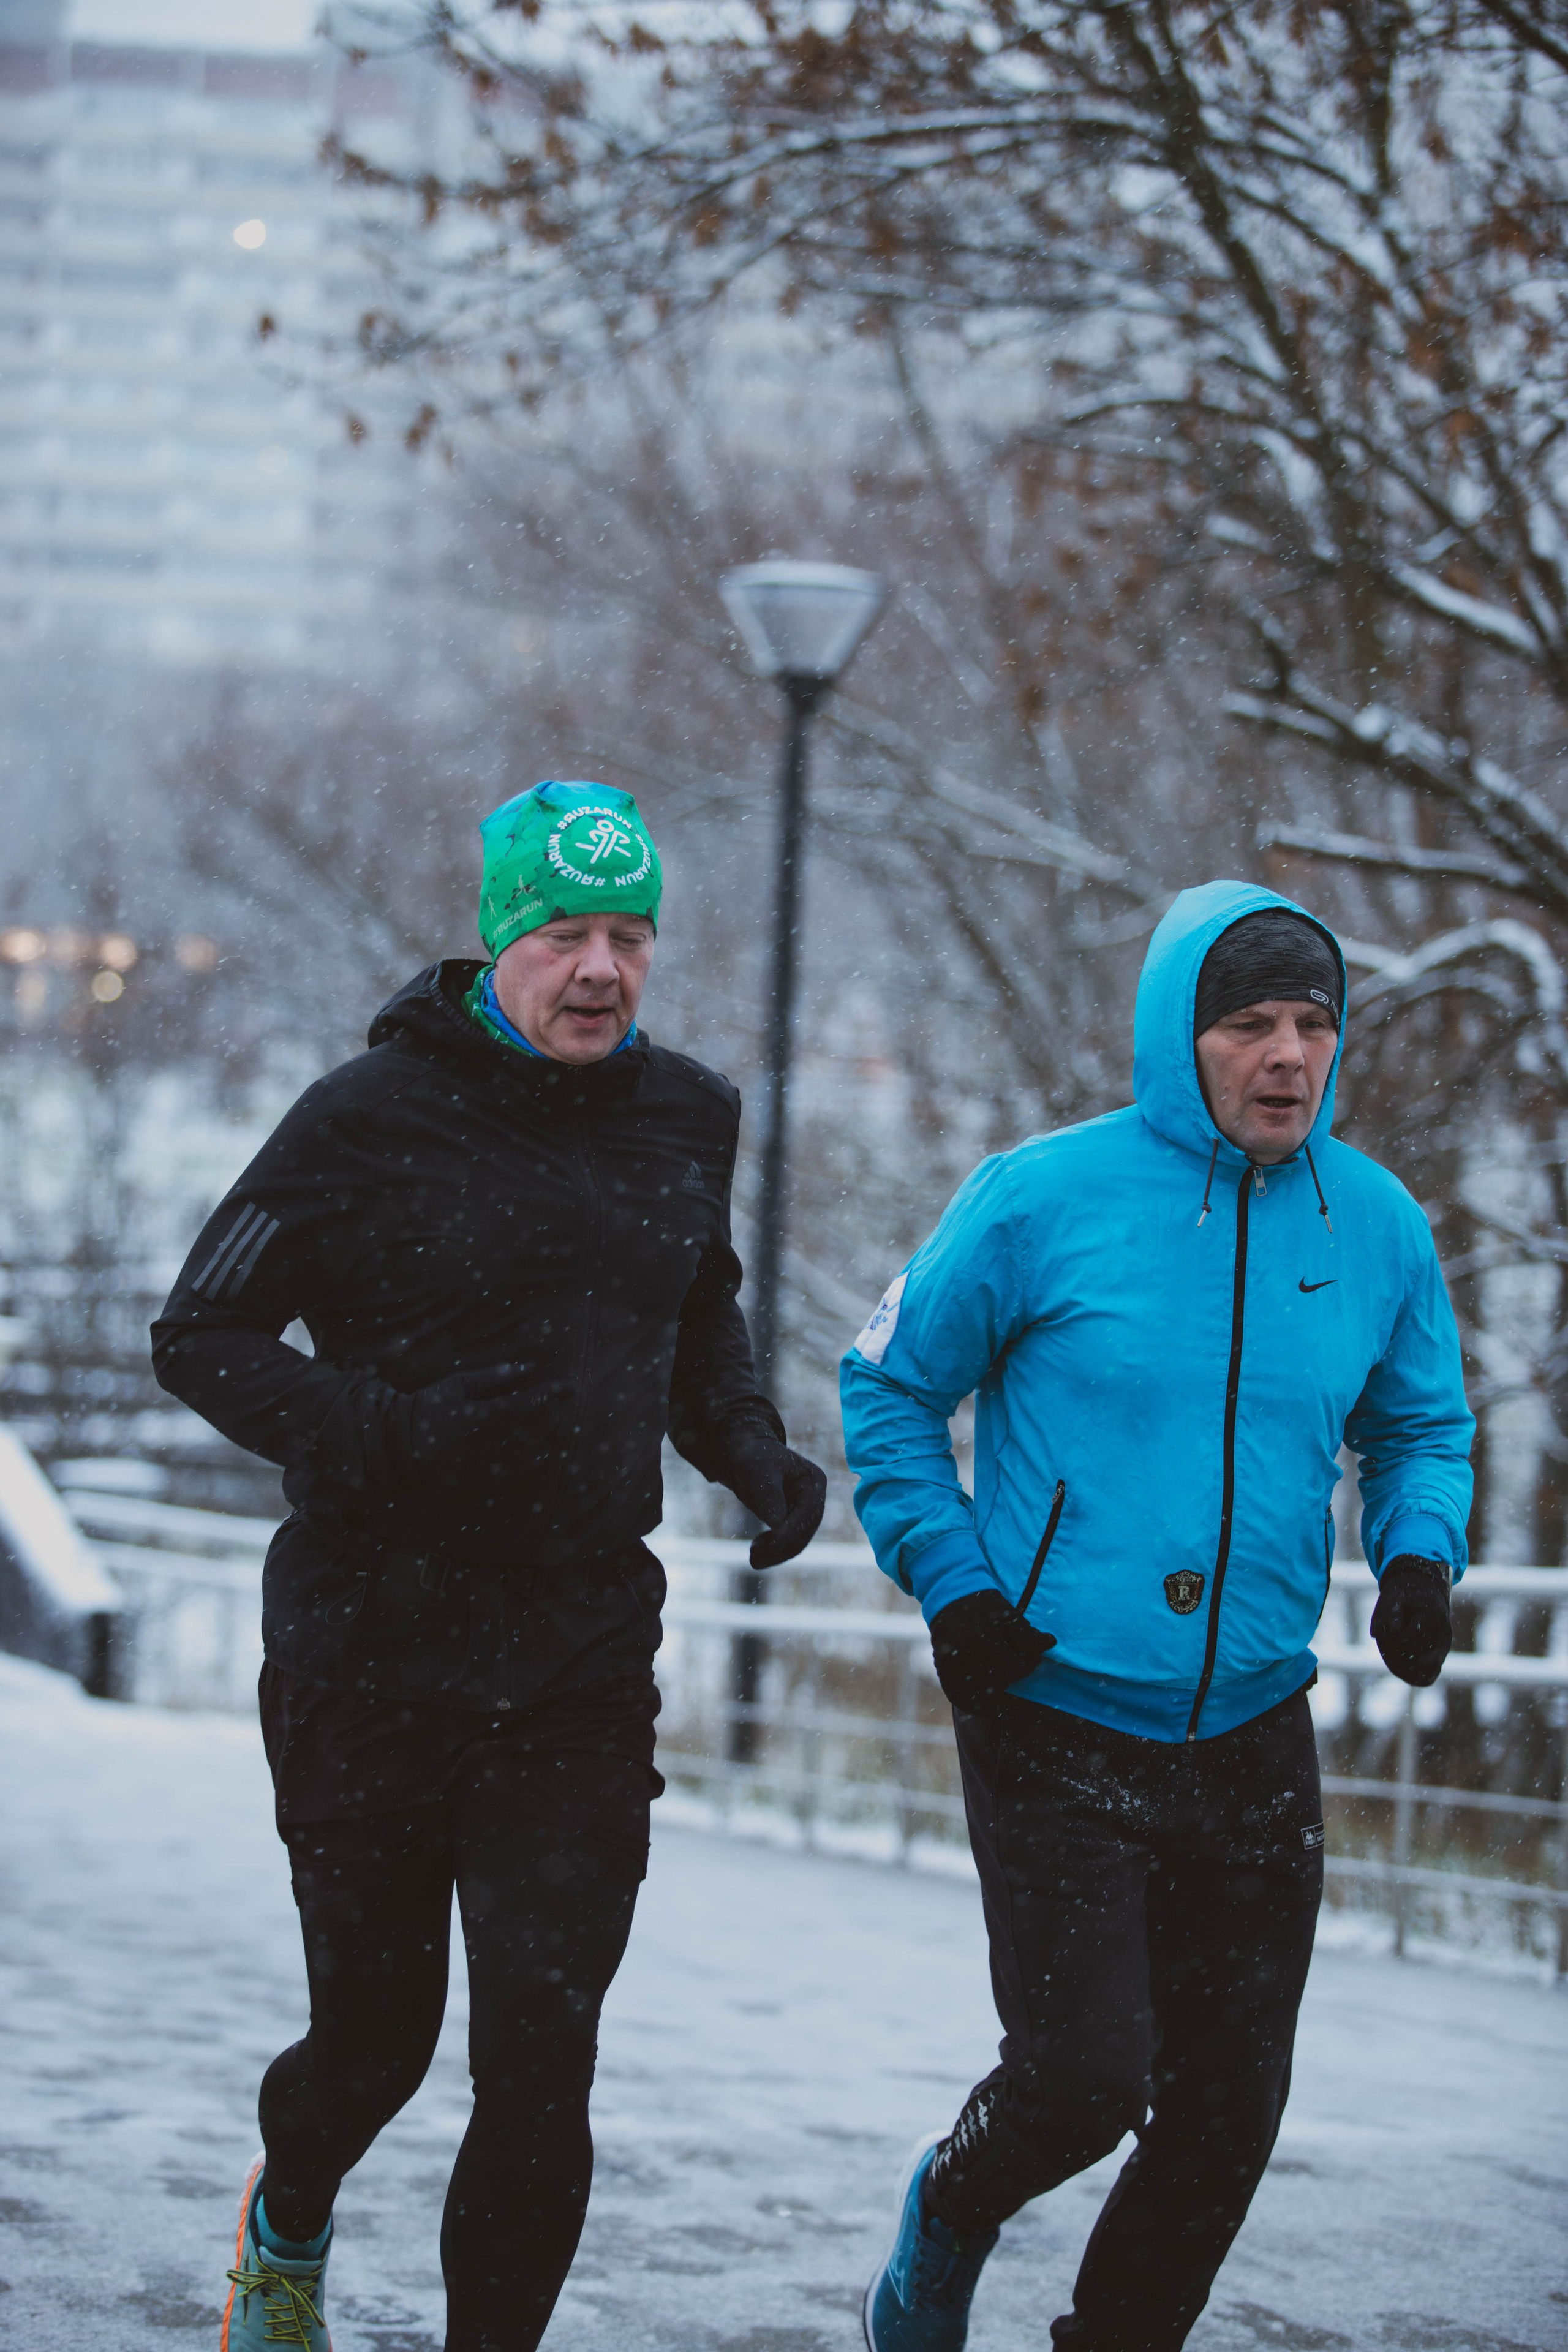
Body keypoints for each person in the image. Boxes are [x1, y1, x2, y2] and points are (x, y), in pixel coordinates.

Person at [151, 780, 826, 2352]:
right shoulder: (363, 1117)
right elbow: (200, 1334)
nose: (601, 969)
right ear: (499, 939)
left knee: (542, 2049)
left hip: (579, 1657)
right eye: (566, 935)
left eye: (630, 935)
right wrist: (383, 1431)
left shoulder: (686, 1114)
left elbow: (695, 1310)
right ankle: (289, 2213)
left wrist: (748, 1449)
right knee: (376, 2044)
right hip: (371, 1650)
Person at [840, 879, 1472, 2352]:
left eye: (1312, 1025)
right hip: (1052, 1706)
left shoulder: (1371, 1223)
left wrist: (1417, 1557)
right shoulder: (1040, 1197)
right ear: (1174, 1038)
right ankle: (944, 2213)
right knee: (1078, 2082)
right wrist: (955, 1581)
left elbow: (1419, 1424)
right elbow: (886, 1386)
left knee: (1223, 2116)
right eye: (1246, 1024)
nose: (1284, 1057)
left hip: (1253, 1721)